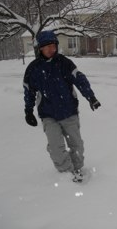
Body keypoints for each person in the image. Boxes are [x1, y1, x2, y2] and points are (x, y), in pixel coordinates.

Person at [23, 30, 101, 182]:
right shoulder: (33, 69)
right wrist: (28, 111)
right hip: (48, 114)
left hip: (69, 112)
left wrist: (91, 97)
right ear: (40, 49)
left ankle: (77, 168)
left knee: (77, 145)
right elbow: (28, 91)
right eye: (47, 47)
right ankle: (68, 173)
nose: (51, 49)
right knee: (56, 148)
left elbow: (79, 79)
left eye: (53, 46)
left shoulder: (64, 63)